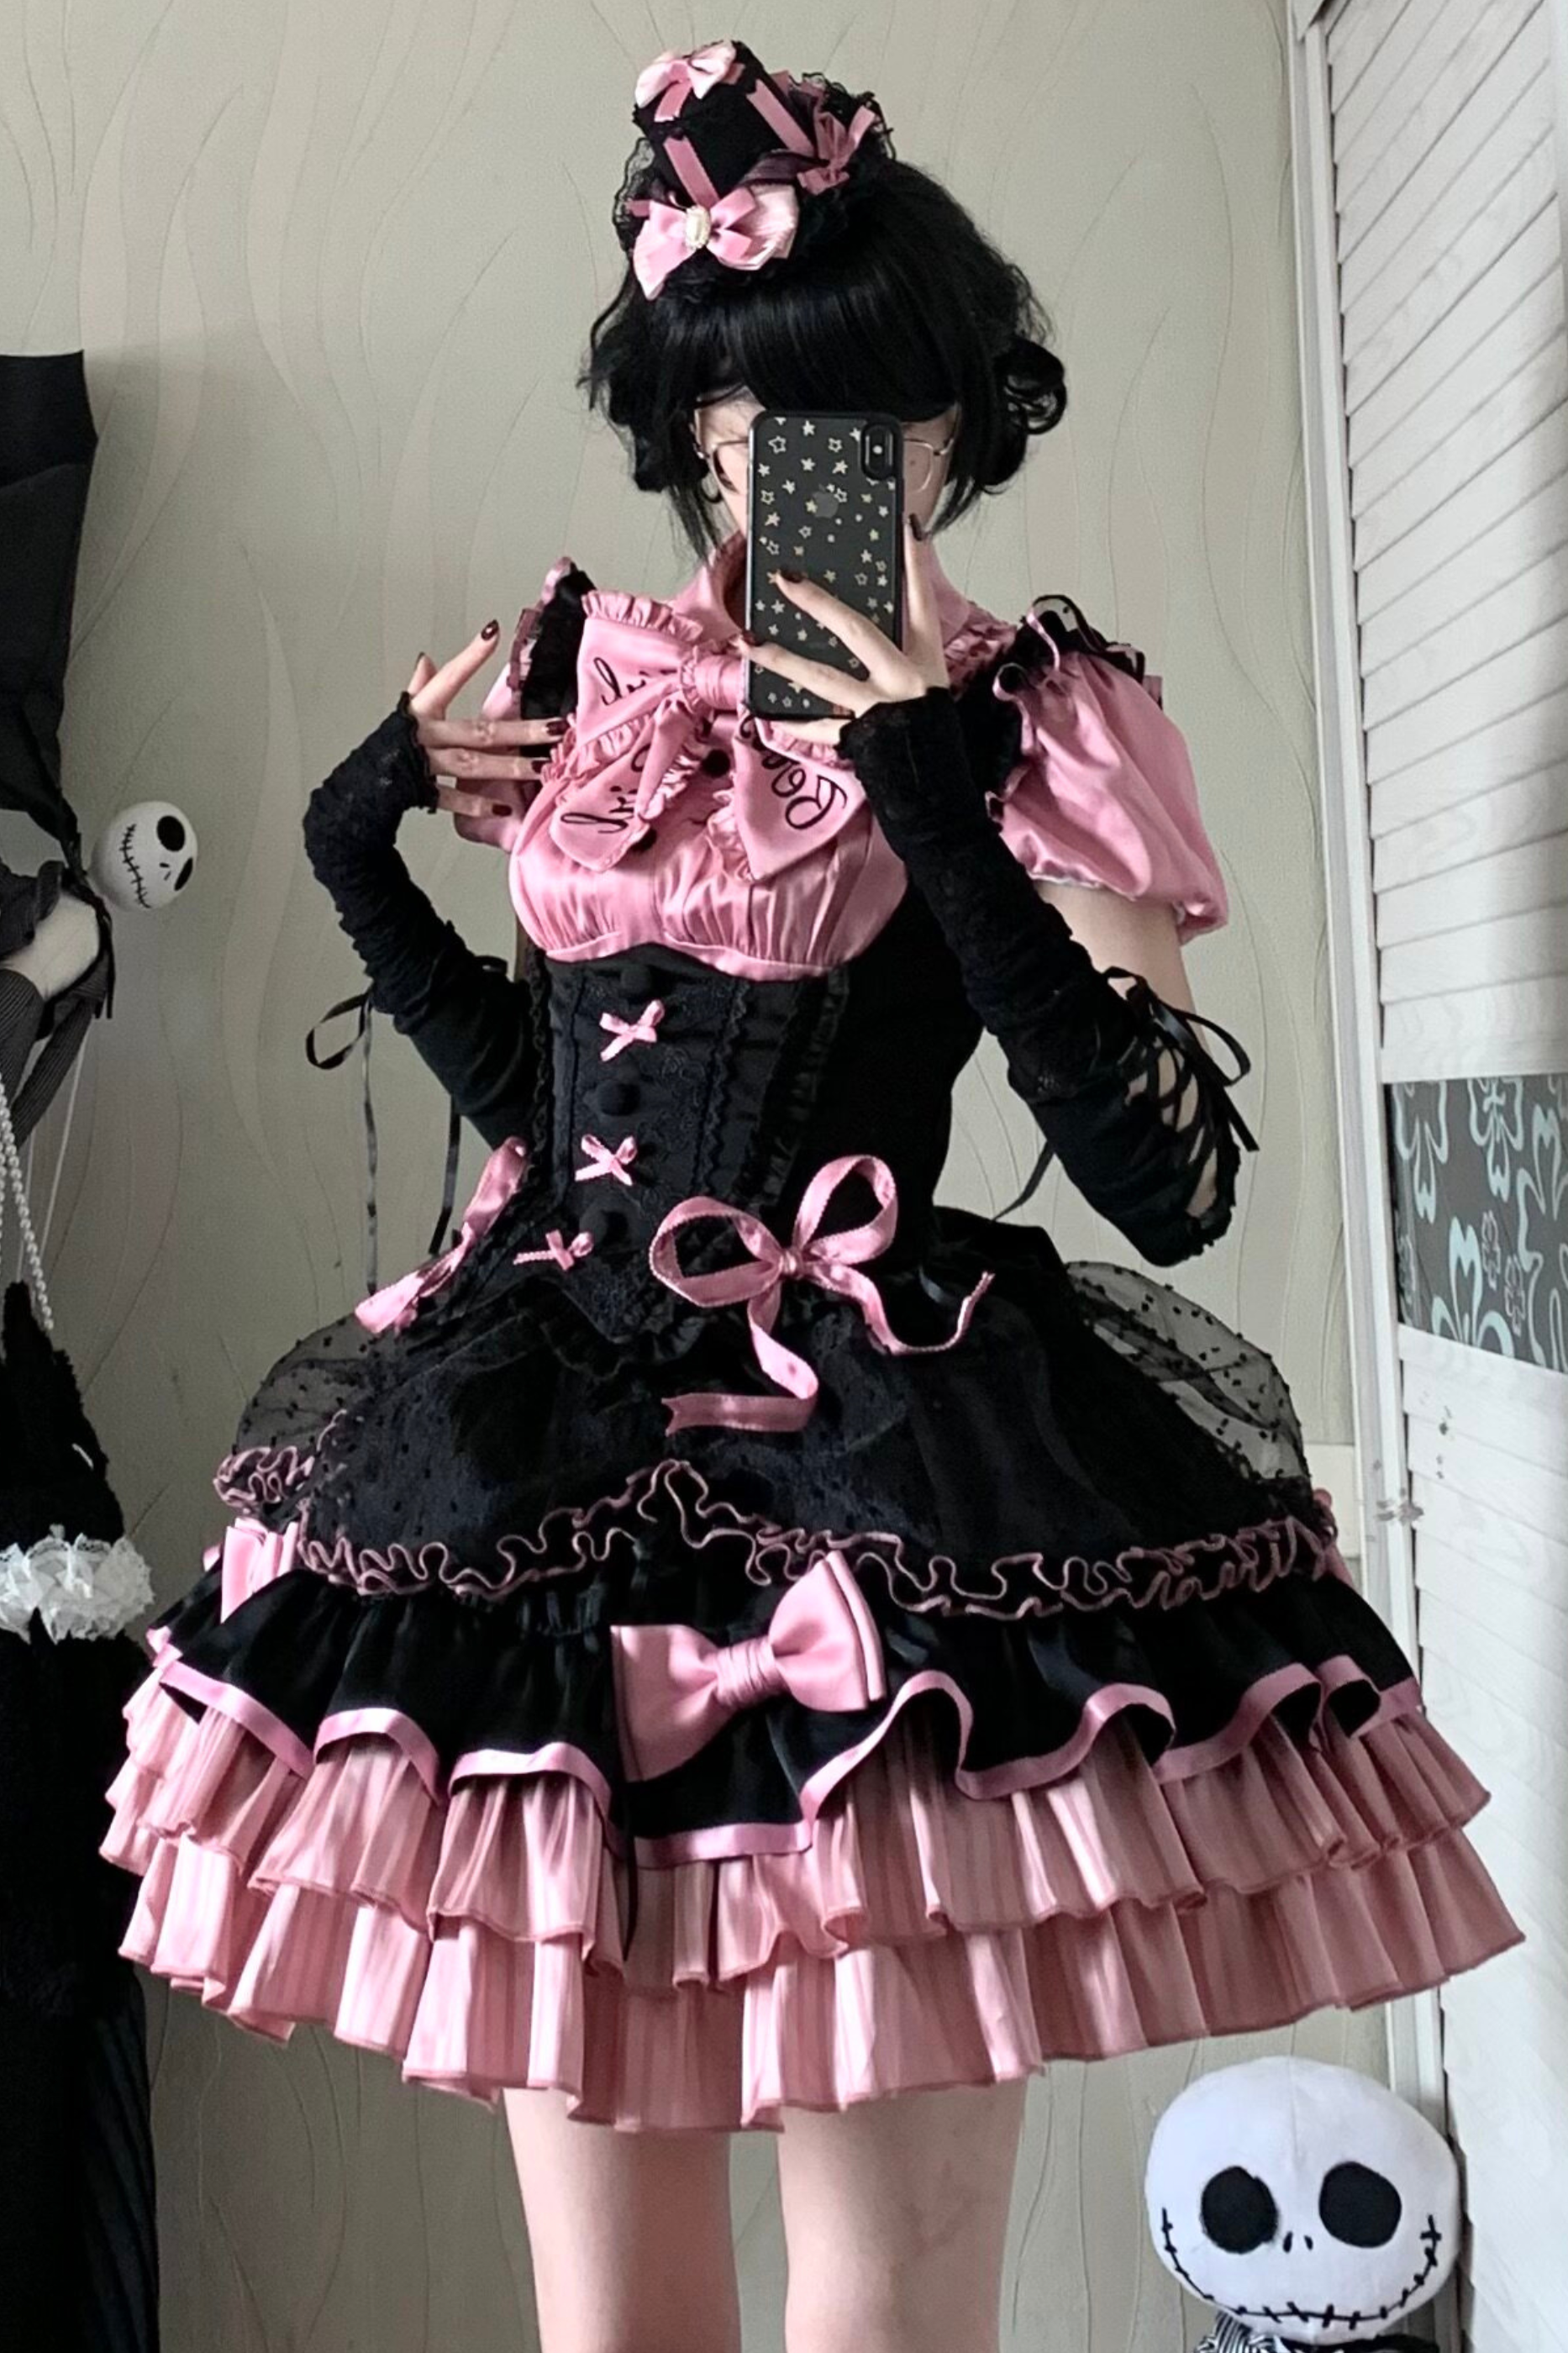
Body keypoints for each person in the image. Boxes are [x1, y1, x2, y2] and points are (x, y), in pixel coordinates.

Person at [101, 40, 1519, 2353]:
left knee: (898, 2284)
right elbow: (558, 1124)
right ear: (691, 427)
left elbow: (1165, 1183)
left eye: (870, 421)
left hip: (891, 1497)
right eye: (755, 425)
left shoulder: (1045, 716)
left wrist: (934, 789)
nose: (806, 471)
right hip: (536, 1492)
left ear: (959, 425)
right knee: (610, 2301)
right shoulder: (592, 680)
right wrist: (360, 840)